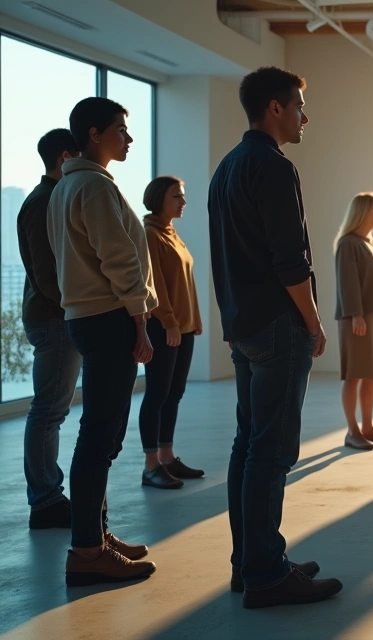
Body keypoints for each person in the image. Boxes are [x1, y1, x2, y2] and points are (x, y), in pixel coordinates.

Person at [209, 66, 341, 608]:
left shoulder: (227, 168)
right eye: (299, 106)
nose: (305, 116)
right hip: (277, 326)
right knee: (273, 450)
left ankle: (252, 563)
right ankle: (266, 573)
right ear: (274, 108)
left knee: (249, 445)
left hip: (244, 326)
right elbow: (292, 264)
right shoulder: (273, 167)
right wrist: (312, 323)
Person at [48, 97, 158, 586]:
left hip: (87, 316)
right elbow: (119, 259)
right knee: (100, 436)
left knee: (101, 434)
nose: (128, 138)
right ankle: (88, 550)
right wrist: (139, 322)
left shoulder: (68, 185)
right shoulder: (92, 186)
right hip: (108, 317)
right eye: (121, 129)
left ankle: (95, 534)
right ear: (94, 134)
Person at [17, 128, 81, 530]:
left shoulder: (50, 198)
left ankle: (46, 496)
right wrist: (78, 308)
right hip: (54, 318)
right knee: (49, 411)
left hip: (54, 316)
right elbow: (46, 275)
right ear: (64, 158)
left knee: (51, 410)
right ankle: (44, 500)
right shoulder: (43, 202)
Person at [139, 176, 205, 489]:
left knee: (174, 393)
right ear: (158, 199)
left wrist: (195, 317)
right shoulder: (150, 234)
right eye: (176, 196)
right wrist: (168, 321)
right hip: (165, 326)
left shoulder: (172, 233)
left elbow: (184, 280)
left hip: (184, 325)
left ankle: (167, 457)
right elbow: (155, 285)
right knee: (157, 394)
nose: (183, 202)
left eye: (183, 196)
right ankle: (151, 465)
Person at [334, 192, 373, 450]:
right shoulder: (349, 244)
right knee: (355, 374)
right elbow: (347, 283)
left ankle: (368, 426)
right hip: (358, 318)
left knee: (370, 374)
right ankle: (352, 431)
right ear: (364, 213)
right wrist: (356, 315)